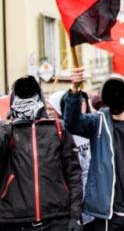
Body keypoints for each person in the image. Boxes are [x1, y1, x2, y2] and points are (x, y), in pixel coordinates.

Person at [0, 76, 83, 231]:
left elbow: (74, 174)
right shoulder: (7, 131)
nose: (26, 101)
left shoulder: (58, 130)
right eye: (21, 96)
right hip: (17, 220)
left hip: (57, 218)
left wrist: (76, 216)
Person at [63, 69, 124, 231]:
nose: (114, 97)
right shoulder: (98, 122)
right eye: (110, 93)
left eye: (117, 92)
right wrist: (74, 91)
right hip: (107, 215)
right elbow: (72, 123)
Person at [47, 91, 93, 228]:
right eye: (47, 109)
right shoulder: (53, 136)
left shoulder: (89, 128)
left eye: (51, 109)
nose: (48, 112)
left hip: (93, 207)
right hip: (68, 208)